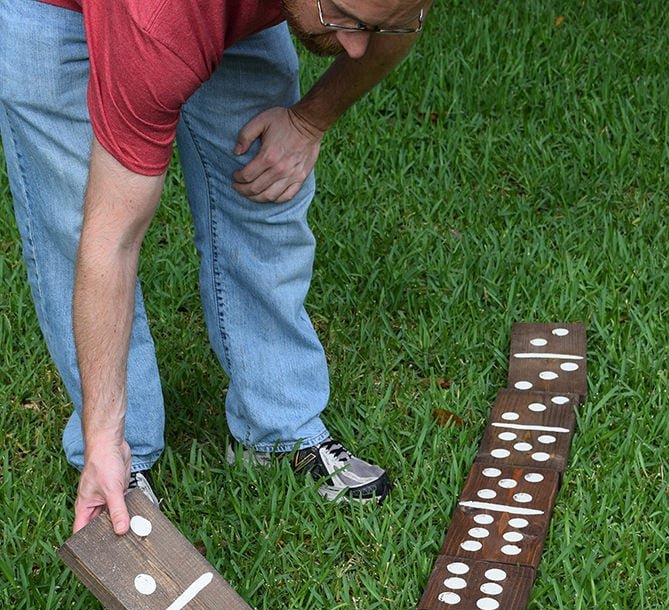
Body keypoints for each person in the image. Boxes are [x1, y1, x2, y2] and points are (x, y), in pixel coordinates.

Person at [0, 1, 431, 533]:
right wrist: (105, 438)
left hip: (212, 15)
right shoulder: (159, 25)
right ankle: (118, 460)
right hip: (58, 12)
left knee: (266, 183)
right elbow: (111, 242)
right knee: (81, 220)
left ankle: (280, 430)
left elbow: (388, 18)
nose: (357, 45)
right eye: (342, 15)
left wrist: (307, 120)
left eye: (375, 24)